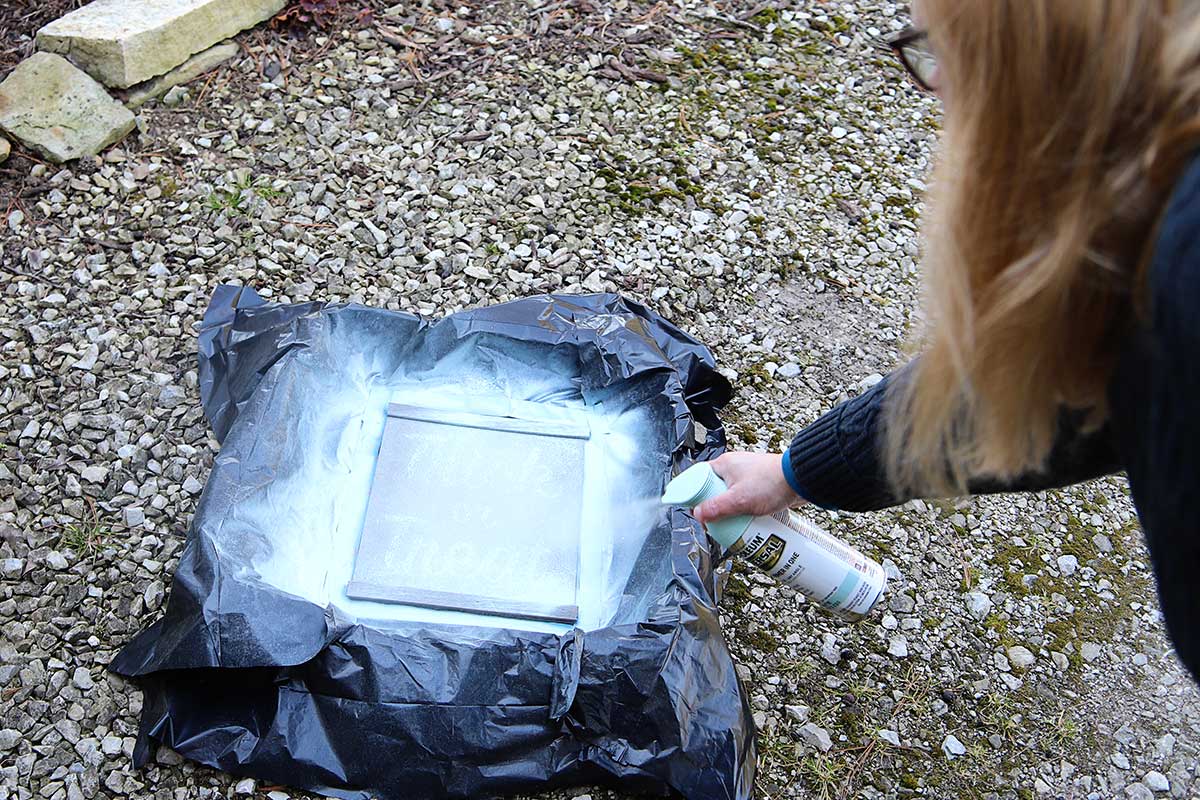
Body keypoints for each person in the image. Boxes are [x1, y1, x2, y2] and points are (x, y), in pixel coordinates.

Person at [694, 0, 1200, 682]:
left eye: (947, 44)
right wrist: (797, 471)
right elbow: (1046, 370)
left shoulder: (1183, 267)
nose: (937, 84)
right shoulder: (1147, 224)